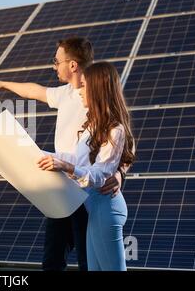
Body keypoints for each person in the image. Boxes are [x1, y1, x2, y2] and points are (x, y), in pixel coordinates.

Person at [0, 37, 125, 271]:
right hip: (61, 185)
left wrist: (119, 173)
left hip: (88, 193)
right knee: (53, 259)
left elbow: (120, 145)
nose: (54, 66)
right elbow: (34, 91)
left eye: (56, 61)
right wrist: (4, 84)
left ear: (72, 65)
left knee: (89, 263)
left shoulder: (98, 96)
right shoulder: (67, 94)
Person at [37, 61, 135, 270]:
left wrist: (66, 167)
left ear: (97, 89)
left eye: (83, 86)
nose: (79, 91)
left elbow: (100, 174)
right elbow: (77, 160)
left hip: (106, 208)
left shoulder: (115, 129)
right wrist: (34, 152)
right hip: (95, 209)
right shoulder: (92, 126)